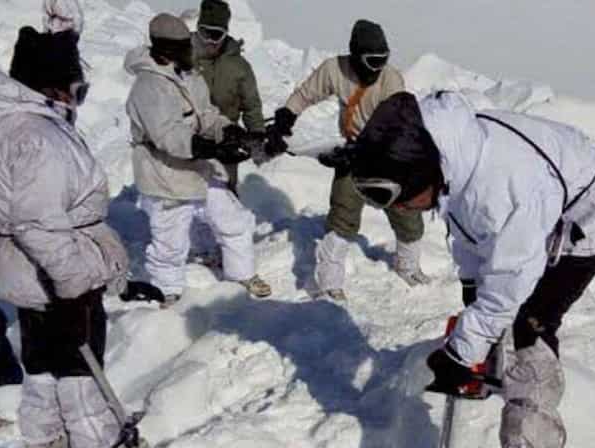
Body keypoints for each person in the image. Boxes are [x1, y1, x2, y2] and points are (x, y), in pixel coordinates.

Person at [349, 91, 595, 448]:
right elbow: (468, 228)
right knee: (490, 307)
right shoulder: (449, 156)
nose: (399, 208)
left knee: (530, 323)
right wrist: (470, 286)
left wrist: (462, 353)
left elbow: (509, 276)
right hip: (539, 206)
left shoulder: (505, 186)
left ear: (423, 175)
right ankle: (500, 368)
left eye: (395, 197)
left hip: (588, 222)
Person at [0, 27, 141, 448]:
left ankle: (44, 436)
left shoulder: (1, 124)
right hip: (55, 263)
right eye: (75, 89)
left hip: (22, 265)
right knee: (78, 358)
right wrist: (74, 284)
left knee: (42, 356)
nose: (76, 100)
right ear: (50, 86)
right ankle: (97, 443)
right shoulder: (37, 137)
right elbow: (40, 225)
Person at [264, 19, 427, 301]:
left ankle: (408, 266)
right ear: (355, 55)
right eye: (372, 61)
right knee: (342, 216)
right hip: (353, 155)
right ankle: (329, 282)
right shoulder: (334, 69)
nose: (378, 67)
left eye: (383, 60)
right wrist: (286, 116)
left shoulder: (391, 80)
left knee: (407, 215)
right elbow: (305, 94)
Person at [125, 13, 272, 307]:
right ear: (165, 49)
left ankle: (240, 273)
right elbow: (167, 135)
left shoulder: (188, 75)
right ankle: (168, 292)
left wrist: (228, 131)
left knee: (235, 219)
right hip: (166, 174)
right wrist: (213, 149)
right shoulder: (148, 86)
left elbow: (205, 114)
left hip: (199, 168)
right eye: (182, 46)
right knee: (171, 242)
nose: (189, 50)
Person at [194, 0, 264, 192]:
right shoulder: (184, 57)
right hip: (190, 142)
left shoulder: (239, 67)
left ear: (225, 34)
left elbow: (252, 106)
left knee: (225, 198)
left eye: (216, 35)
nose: (210, 41)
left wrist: (256, 136)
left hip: (227, 143)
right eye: (204, 33)